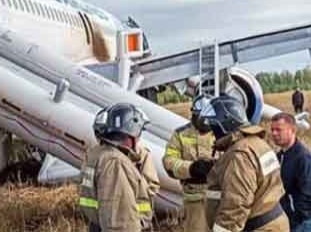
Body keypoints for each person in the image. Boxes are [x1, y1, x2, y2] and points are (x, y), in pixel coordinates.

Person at [200, 95, 289, 232]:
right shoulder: (257, 143)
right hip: (274, 223)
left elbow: (236, 206)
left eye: (214, 126)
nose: (213, 133)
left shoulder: (239, 155)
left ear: (225, 124)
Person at [78, 103, 155, 232]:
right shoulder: (115, 163)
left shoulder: (96, 154)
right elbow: (120, 222)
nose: (139, 138)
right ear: (131, 134)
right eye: (139, 133)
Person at [162, 96, 216, 232]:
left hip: (218, 199)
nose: (205, 122)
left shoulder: (221, 132)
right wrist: (191, 169)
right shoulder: (180, 134)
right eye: (201, 117)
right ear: (193, 114)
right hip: (193, 200)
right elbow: (169, 161)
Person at [270, 113, 311, 232]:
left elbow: (309, 197)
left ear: (292, 130)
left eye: (278, 130)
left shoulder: (304, 158)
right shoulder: (279, 156)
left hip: (302, 224)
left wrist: (295, 216)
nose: (274, 133)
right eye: (272, 130)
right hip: (286, 220)